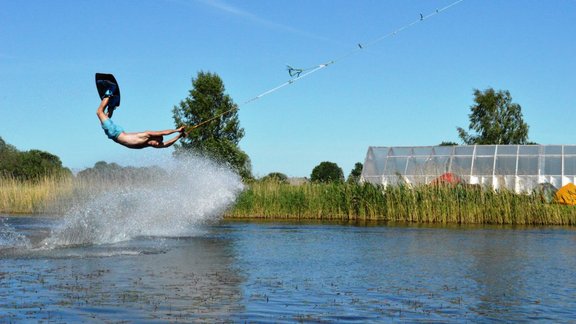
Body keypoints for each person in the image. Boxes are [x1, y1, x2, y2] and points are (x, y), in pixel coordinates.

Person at [96, 95, 185, 149]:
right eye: (157, 142)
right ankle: (109, 93)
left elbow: (166, 144)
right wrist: (177, 130)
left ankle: (112, 106)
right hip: (115, 133)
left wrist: (179, 136)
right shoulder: (147, 134)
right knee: (99, 112)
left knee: (104, 119)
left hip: (115, 134)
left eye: (158, 144)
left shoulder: (148, 144)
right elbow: (163, 132)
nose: (157, 144)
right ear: (154, 138)